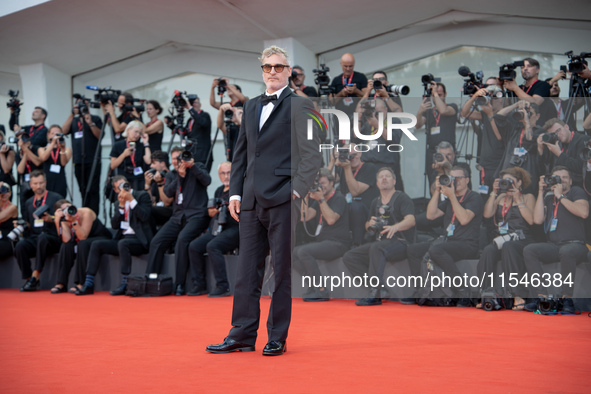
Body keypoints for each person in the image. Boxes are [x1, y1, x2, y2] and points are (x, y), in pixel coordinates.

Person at [206, 45, 321, 356]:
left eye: (279, 67)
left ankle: (277, 337)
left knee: (281, 271)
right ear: (262, 71)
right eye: (268, 67)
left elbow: (312, 157)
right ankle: (241, 334)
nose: (273, 71)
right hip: (251, 201)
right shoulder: (253, 105)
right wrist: (235, 193)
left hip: (283, 198)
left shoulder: (302, 105)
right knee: (246, 271)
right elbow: (241, 154)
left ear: (288, 72)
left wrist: (296, 191)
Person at [406, 165, 484, 305]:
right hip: (448, 241)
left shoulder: (474, 198)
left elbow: (464, 219)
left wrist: (452, 196)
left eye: (458, 178)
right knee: (413, 250)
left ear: (467, 180)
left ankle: (462, 288)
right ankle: (420, 290)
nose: (455, 181)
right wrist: (437, 191)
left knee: (437, 250)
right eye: (451, 178)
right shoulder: (448, 200)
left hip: (467, 244)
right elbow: (431, 215)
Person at [342, 167, 415, 306]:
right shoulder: (375, 202)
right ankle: (379, 287)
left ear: (394, 181)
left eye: (387, 176)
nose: (384, 179)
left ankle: (375, 293)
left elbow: (411, 220)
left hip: (400, 241)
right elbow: (368, 225)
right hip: (381, 242)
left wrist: (396, 226)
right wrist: (369, 224)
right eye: (381, 177)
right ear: (377, 183)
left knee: (377, 248)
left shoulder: (402, 198)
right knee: (350, 256)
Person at [145, 147, 211, 295]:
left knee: (182, 240)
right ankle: (150, 280)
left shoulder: (197, 167)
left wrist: (192, 167)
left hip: (197, 216)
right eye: (174, 158)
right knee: (157, 241)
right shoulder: (171, 175)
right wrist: (180, 177)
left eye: (179, 158)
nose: (177, 161)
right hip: (177, 217)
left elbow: (207, 181)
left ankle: (180, 284)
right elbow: (168, 193)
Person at [523, 166, 589, 314]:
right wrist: (541, 191)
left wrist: (561, 196)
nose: (560, 180)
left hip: (576, 244)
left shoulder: (576, 191)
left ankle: (567, 299)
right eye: (556, 177)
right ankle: (542, 297)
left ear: (571, 181)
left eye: (564, 177)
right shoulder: (548, 197)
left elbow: (583, 212)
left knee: (567, 251)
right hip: (554, 245)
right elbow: (537, 220)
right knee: (530, 250)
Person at [77, 176, 153, 295]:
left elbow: (145, 216)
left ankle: (125, 282)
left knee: (123, 244)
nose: (124, 189)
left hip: (139, 240)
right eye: (120, 187)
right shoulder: (118, 202)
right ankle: (89, 283)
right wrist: (121, 207)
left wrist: (132, 200)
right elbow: (114, 225)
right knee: (96, 244)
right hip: (123, 239)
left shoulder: (141, 195)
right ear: (116, 190)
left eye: (125, 185)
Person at [477, 167, 535, 310]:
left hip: (521, 238)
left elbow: (531, 220)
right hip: (501, 239)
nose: (507, 184)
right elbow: (487, 214)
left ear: (519, 182)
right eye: (504, 181)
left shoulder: (528, 197)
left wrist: (518, 199)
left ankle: (518, 294)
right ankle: (485, 293)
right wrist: (494, 193)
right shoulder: (501, 198)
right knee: (488, 250)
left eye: (510, 181)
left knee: (509, 247)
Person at [294, 168, 351, 302]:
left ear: (331, 183)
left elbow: (331, 219)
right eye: (318, 184)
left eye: (323, 183)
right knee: (293, 253)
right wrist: (306, 197)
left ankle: (321, 290)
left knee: (303, 251)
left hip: (338, 243)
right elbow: (305, 217)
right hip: (324, 242)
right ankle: (313, 285)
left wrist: (321, 200)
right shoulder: (319, 199)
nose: (320, 186)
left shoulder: (338, 198)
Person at [188, 162, 239, 297]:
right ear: (218, 175)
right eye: (223, 173)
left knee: (213, 246)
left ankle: (222, 286)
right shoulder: (218, 191)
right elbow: (211, 211)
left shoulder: (239, 190)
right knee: (194, 246)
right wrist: (212, 212)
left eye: (229, 173)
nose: (226, 176)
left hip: (235, 228)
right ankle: (199, 285)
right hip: (218, 228)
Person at [13, 170, 62, 291]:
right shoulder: (29, 202)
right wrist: (21, 224)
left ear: (45, 182)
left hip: (53, 238)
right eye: (35, 183)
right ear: (30, 184)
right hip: (35, 238)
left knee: (43, 237)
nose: (38, 186)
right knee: (20, 245)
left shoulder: (56, 197)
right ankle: (29, 278)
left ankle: (36, 274)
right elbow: (29, 223)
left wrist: (51, 218)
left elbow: (66, 217)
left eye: (40, 183)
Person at [50, 199, 111, 294]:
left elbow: (83, 236)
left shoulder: (86, 212)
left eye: (69, 207)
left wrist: (74, 221)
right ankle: (61, 283)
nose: (69, 211)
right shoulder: (64, 219)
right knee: (66, 246)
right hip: (84, 241)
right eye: (64, 210)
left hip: (100, 238)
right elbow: (66, 239)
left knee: (83, 243)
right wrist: (58, 222)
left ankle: (81, 283)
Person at [327, 142, 378, 245]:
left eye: (354, 155)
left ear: (360, 154)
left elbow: (355, 191)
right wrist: (332, 161)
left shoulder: (369, 167)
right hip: (348, 208)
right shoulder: (342, 168)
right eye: (348, 156)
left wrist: (347, 168)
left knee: (355, 204)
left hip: (366, 211)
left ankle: (357, 243)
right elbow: (325, 182)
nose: (352, 158)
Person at [62, 96, 103, 214]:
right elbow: (64, 131)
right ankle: (85, 214)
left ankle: (93, 216)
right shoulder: (74, 121)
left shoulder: (95, 118)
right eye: (78, 105)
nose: (81, 107)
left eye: (83, 104)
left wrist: (90, 123)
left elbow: (100, 135)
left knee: (93, 190)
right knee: (83, 190)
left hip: (93, 161)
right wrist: (71, 114)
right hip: (79, 160)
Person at [415, 81, 458, 185]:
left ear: (445, 94)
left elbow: (443, 110)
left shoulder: (452, 106)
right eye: (434, 95)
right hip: (432, 152)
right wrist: (420, 111)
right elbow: (418, 125)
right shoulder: (429, 111)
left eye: (439, 95)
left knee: (450, 179)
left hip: (448, 151)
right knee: (433, 180)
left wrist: (434, 93)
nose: (436, 97)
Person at [537, 118, 590, 188]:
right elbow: (545, 170)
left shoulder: (583, 140)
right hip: (559, 187)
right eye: (554, 134)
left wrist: (559, 154)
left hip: (579, 187)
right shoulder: (556, 144)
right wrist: (540, 149)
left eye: (558, 130)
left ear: (566, 127)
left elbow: (581, 167)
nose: (558, 135)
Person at [110, 120, 152, 191]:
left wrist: (146, 143)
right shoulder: (118, 145)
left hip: (138, 178)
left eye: (139, 133)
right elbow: (113, 165)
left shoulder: (141, 146)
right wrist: (123, 155)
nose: (137, 135)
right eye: (136, 132)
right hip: (124, 178)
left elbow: (148, 161)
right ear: (128, 130)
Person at [36, 125, 72, 198]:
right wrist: (52, 143)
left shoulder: (66, 149)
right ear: (48, 135)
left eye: (57, 133)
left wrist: (62, 148)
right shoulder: (42, 149)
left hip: (60, 179)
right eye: (53, 133)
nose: (55, 135)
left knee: (60, 200)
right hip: (47, 179)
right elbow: (43, 158)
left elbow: (63, 163)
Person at [144, 150, 173, 228]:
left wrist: (160, 183)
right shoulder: (155, 179)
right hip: (159, 209)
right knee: (143, 209)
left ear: (162, 163)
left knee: (149, 210)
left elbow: (167, 203)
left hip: (171, 210)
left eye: (153, 163)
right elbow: (152, 201)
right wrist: (147, 185)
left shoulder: (171, 177)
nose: (151, 166)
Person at [185, 96, 213, 172]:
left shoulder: (205, 115)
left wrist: (191, 109)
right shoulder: (190, 120)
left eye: (195, 102)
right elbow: (185, 133)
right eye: (191, 103)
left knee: (202, 178)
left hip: (203, 155)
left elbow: (202, 122)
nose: (193, 105)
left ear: (200, 104)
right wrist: (171, 125)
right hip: (191, 154)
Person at [0, 182, 18, 259]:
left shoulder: (13, 207)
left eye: (6, 191)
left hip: (7, 241)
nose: (4, 194)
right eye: (1, 191)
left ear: (10, 193)